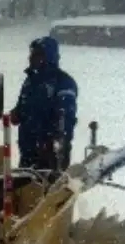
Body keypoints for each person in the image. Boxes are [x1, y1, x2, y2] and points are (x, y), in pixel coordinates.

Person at [9, 36, 78, 171]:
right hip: (28, 151)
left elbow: (65, 118)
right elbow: (25, 106)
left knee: (50, 191)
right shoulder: (30, 81)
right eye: (32, 54)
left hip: (51, 155)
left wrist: (54, 143)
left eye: (36, 54)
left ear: (48, 57)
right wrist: (17, 113)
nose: (31, 58)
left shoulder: (63, 82)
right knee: (25, 189)